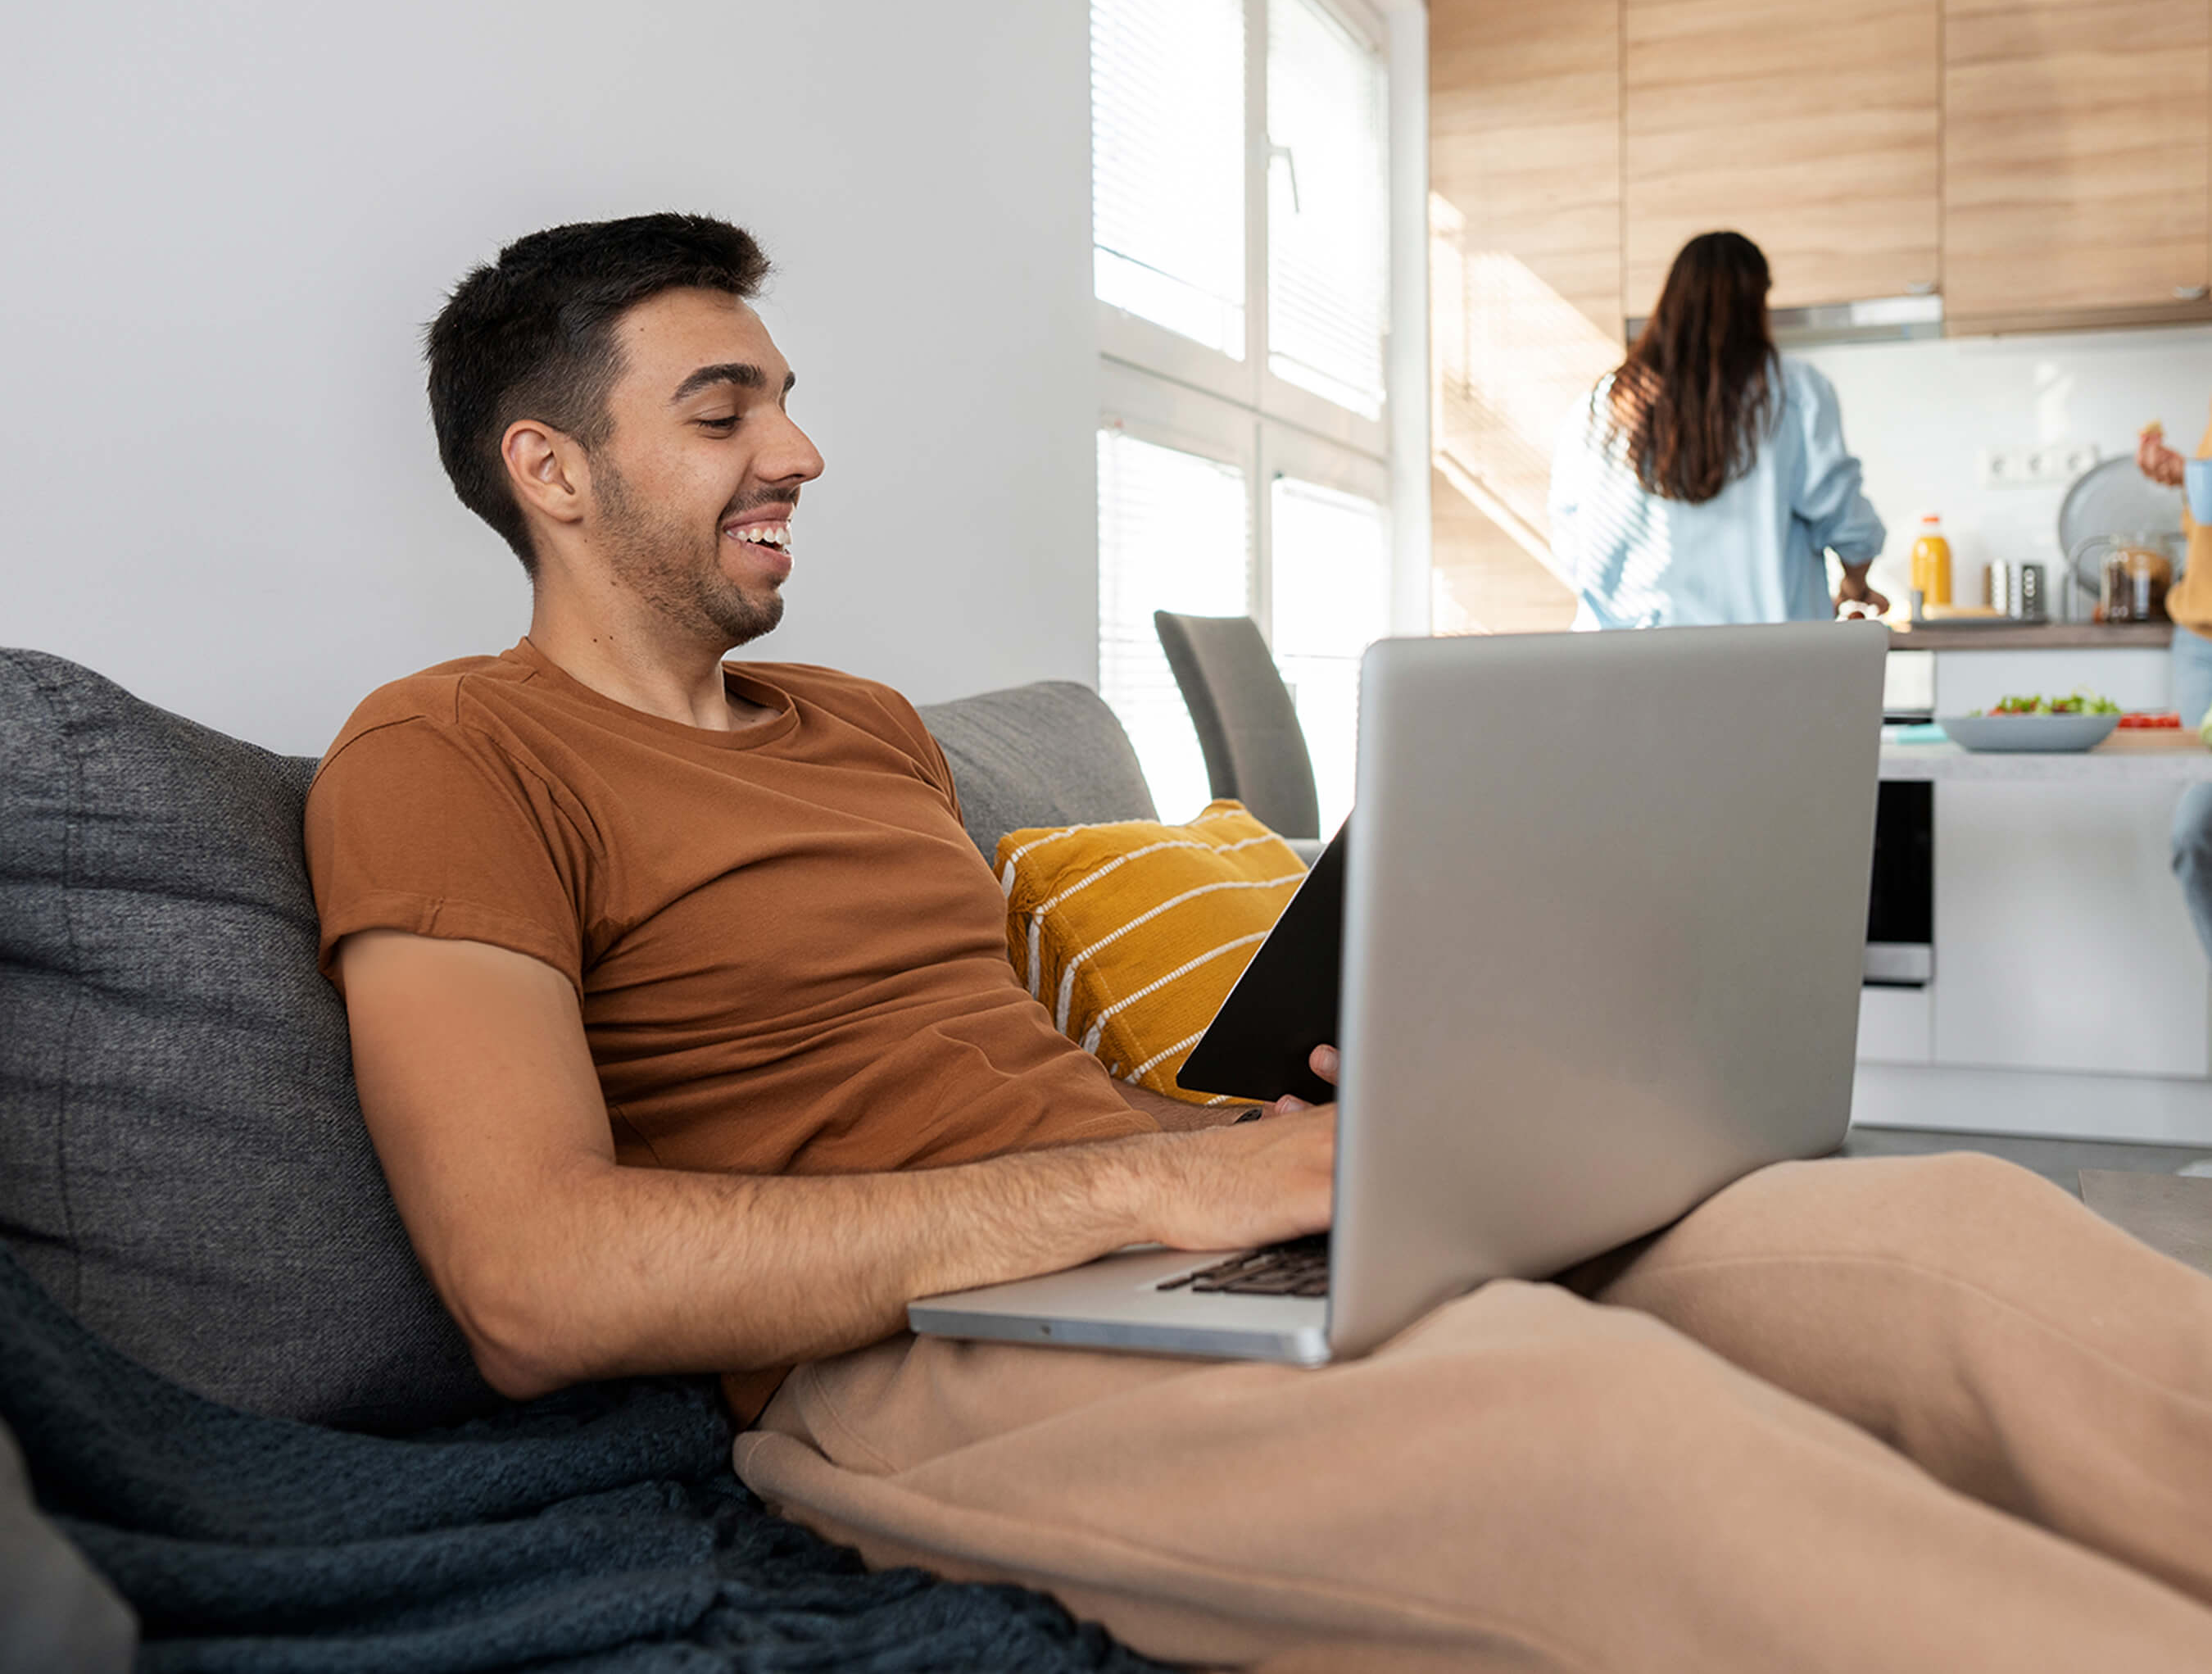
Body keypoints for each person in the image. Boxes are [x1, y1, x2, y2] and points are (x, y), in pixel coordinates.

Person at [307, 212, 2212, 1672]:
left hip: (1191, 1225)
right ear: (549, 470)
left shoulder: (866, 724)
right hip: (907, 1356)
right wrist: (1142, 1186)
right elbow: (536, 1282)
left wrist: (1345, 1096)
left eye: (786, 394)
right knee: (1607, 1433)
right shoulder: (448, 749)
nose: (797, 447)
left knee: (1942, 1241)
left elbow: (999, 1050)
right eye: (722, 410)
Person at [1549, 229, 1889, 628]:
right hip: (1761, 660)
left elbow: (1570, 537)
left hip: (1628, 660)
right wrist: (1854, 587)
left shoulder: (1608, 400)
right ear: (1757, 302)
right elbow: (1846, 520)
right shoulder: (1792, 391)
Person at [2135, 416, 2212, 959]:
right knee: (2197, 838)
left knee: (2196, 827)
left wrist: (2196, 474)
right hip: (2200, 637)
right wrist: (2191, 479)